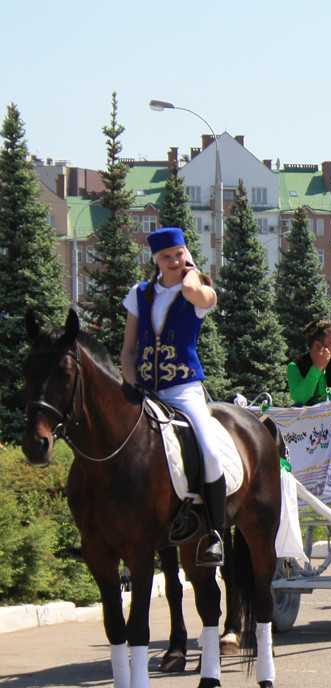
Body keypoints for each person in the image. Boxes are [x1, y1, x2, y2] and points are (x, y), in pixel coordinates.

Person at [120, 227, 224, 567]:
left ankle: (215, 534)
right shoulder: (139, 294)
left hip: (183, 389)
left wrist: (190, 272)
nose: (174, 261)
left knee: (209, 450)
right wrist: (132, 384)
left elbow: (195, 292)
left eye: (179, 254)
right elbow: (128, 350)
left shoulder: (201, 290)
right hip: (146, 390)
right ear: (155, 260)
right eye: (167, 257)